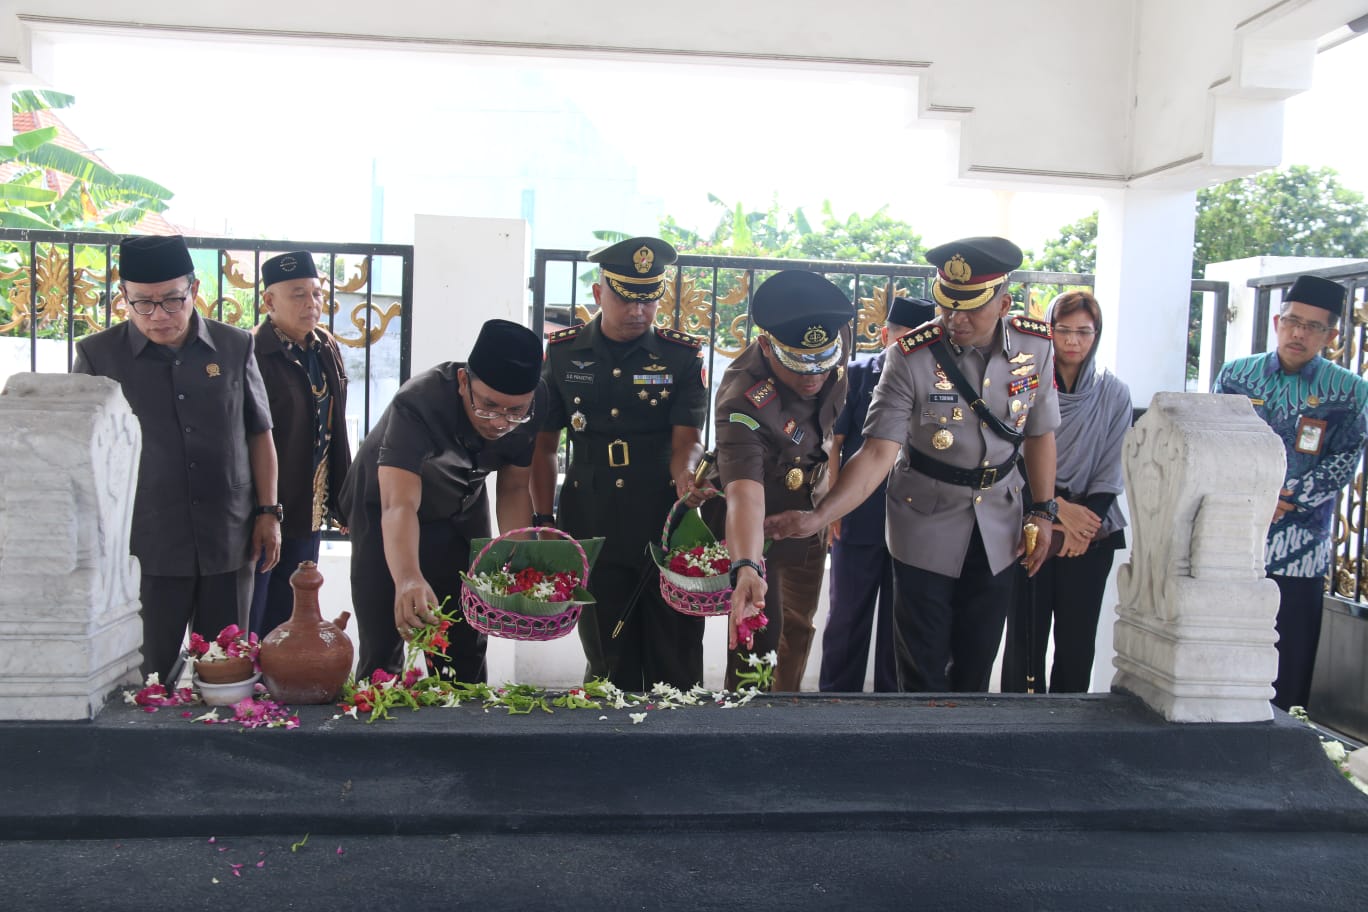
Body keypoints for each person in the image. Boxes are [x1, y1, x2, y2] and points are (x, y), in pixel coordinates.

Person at [764, 236, 1060, 693]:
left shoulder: (1036, 347)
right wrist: (820, 516)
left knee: (977, 662)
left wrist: (1043, 510)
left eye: (971, 308)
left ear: (1003, 303)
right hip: (924, 520)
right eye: (947, 305)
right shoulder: (910, 356)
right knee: (921, 667)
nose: (954, 320)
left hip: (1001, 523)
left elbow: (1039, 433)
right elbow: (879, 449)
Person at [72, 234, 280, 681]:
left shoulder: (234, 346)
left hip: (228, 535)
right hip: (145, 544)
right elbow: (79, 452)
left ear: (195, 289)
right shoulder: (97, 355)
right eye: (142, 303)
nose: (158, 315)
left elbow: (260, 433)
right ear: (123, 297)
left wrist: (268, 512)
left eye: (172, 300)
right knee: (145, 676)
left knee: (226, 672)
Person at [531, 237, 711, 691]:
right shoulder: (564, 352)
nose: (639, 311)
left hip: (664, 514)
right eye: (627, 297)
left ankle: (680, 749)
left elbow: (687, 439)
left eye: (650, 298)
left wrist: (686, 476)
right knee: (609, 656)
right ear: (598, 294)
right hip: (591, 517)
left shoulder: (681, 356)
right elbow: (544, 446)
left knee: (676, 650)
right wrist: (542, 519)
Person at [339, 319, 545, 681]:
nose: (501, 423)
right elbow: (399, 504)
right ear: (464, 382)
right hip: (385, 507)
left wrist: (524, 567)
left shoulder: (532, 404)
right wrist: (406, 578)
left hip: (461, 503)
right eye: (489, 406)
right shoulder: (418, 402)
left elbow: (513, 489)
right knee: (389, 630)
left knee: (464, 638)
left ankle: (463, 728)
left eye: (516, 412)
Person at [1212, 274, 1368, 712]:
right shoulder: (1238, 376)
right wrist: (1255, 495)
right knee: (1225, 649)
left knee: (1290, 656)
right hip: (1236, 539)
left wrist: (1287, 498)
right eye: (1292, 321)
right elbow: (1216, 441)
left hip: (1300, 549)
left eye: (1312, 326)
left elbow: (1343, 459)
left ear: (1331, 335)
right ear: (1278, 321)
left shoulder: (1350, 392)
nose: (1298, 333)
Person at [717, 269, 854, 691]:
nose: (814, 376)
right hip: (763, 524)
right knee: (756, 633)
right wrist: (745, 565)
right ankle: (745, 730)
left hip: (809, 515)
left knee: (797, 627)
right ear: (765, 344)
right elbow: (743, 494)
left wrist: (825, 507)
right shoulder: (742, 399)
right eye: (799, 364)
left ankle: (787, 720)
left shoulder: (833, 343)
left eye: (822, 362)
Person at [1000, 291, 1131, 694]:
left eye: (1083, 332)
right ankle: (1018, 728)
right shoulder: (1026, 384)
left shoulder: (1114, 392)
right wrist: (1058, 512)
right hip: (1032, 522)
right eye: (1063, 330)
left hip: (1091, 532)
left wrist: (1081, 526)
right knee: (1026, 637)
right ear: (1049, 332)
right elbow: (1015, 454)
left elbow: (1112, 467)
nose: (1073, 341)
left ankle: (1068, 729)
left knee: (1076, 641)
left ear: (1097, 335)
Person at [821, 295, 935, 693]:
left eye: (920, 338)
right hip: (859, 512)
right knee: (847, 615)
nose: (909, 345)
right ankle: (835, 700)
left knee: (898, 621)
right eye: (903, 335)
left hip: (913, 518)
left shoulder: (938, 379)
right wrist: (833, 507)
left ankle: (891, 704)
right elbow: (834, 444)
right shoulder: (855, 374)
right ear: (886, 333)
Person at [248, 251, 352, 638]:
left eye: (316, 294)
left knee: (299, 605)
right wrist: (264, 508)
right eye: (298, 295)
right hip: (270, 507)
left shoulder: (324, 346)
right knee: (260, 609)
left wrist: (344, 498)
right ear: (269, 302)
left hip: (312, 504)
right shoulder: (253, 353)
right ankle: (252, 688)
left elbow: (336, 424)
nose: (312, 304)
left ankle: (285, 684)